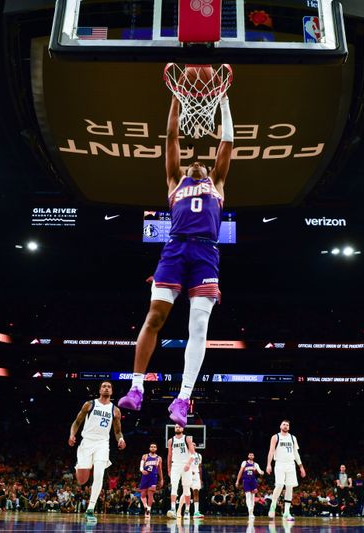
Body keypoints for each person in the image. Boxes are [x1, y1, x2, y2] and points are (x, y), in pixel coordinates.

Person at [118, 85, 235, 427]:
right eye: (192, 161)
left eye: (202, 161)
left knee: (198, 327)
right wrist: (177, 99)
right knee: (154, 317)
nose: (197, 162)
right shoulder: (174, 181)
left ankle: (183, 398)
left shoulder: (218, 181)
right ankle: (136, 388)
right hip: (175, 248)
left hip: (206, 254)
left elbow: (226, 142)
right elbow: (170, 137)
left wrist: (224, 101)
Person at [68, 381, 126, 518]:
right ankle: (80, 467)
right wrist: (72, 435)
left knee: (99, 474)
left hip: (102, 444)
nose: (106, 388)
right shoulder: (89, 404)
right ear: (100, 390)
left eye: (109, 387)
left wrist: (121, 439)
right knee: (82, 480)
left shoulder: (115, 410)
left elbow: (118, 432)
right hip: (87, 442)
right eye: (104, 386)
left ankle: (90, 508)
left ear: (111, 391)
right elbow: (77, 422)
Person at [266, 420, 306, 521]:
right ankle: (273, 505)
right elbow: (271, 451)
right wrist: (268, 464)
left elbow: (296, 454)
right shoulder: (275, 437)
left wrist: (301, 467)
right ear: (280, 426)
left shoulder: (293, 438)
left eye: (287, 425)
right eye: (284, 424)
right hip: (279, 463)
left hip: (291, 464)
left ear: (289, 427)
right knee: (279, 485)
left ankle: (287, 512)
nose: (285, 426)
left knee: (289, 487)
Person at [166, 424, 195, 518]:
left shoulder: (187, 439)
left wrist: (188, 464)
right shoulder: (171, 440)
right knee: (174, 487)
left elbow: (193, 454)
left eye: (179, 427)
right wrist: (169, 468)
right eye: (176, 427)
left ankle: (187, 510)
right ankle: (173, 509)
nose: (177, 428)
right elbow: (169, 456)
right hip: (175, 465)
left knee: (186, 488)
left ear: (182, 428)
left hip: (186, 465)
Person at [235, 452, 264, 520]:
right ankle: (250, 512)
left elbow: (260, 471)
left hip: (253, 481)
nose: (251, 456)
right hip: (246, 481)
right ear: (248, 456)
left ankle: (252, 512)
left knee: (252, 497)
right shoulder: (244, 463)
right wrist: (237, 481)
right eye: (250, 455)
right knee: (248, 496)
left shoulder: (255, 464)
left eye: (252, 455)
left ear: (253, 456)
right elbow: (240, 472)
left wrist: (262, 472)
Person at [139, 443, 163, 518]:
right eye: (151, 447)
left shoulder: (159, 458)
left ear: (156, 449)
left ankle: (148, 510)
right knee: (143, 494)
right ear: (149, 448)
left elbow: (160, 469)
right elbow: (141, 465)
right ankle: (145, 506)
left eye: (154, 447)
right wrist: (142, 470)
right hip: (145, 476)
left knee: (150, 494)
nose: (153, 448)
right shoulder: (145, 456)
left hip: (153, 477)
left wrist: (161, 479)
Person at [186, 448, 204, 519]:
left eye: (194, 445)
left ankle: (196, 512)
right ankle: (185, 511)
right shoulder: (186, 455)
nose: (193, 446)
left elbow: (200, 467)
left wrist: (200, 478)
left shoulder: (199, 456)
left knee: (196, 492)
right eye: (192, 445)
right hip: (188, 474)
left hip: (196, 475)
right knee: (186, 493)